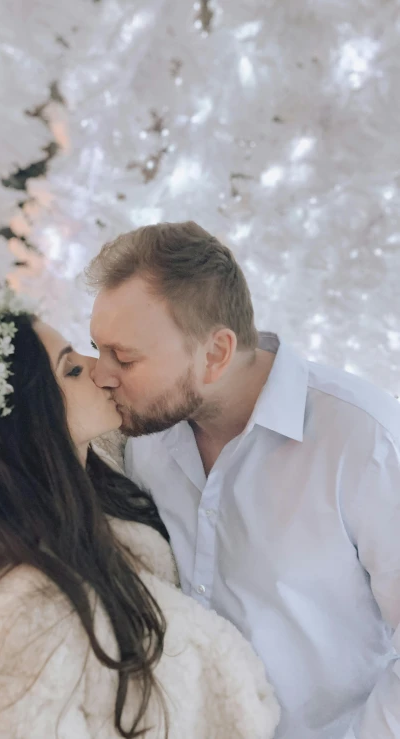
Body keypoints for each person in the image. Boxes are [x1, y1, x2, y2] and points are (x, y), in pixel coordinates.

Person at [87, 221, 400, 739]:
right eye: (97, 348)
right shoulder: (138, 439)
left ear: (216, 353)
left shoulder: (364, 440)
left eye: (124, 357)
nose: (103, 373)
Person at [0, 298, 279, 739]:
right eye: (71, 369)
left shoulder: (109, 494)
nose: (101, 371)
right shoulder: (20, 623)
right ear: (32, 420)